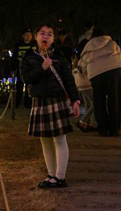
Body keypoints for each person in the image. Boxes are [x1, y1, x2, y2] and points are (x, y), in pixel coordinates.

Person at [21, 23, 80, 188]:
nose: (45, 36)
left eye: (49, 34)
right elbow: (27, 79)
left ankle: (60, 177)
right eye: (42, 33)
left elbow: (68, 79)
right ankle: (51, 174)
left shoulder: (59, 56)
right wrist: (42, 68)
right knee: (45, 140)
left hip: (57, 100)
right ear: (36, 36)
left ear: (53, 38)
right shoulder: (28, 57)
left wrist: (75, 100)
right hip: (39, 101)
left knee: (60, 139)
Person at [79, 29, 121, 137]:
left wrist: (88, 72)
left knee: (99, 102)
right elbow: (119, 57)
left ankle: (103, 130)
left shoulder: (88, 47)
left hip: (96, 74)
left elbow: (82, 64)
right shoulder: (112, 44)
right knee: (115, 100)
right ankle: (114, 129)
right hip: (113, 71)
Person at [72, 39, 96, 132]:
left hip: (80, 84)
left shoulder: (79, 57)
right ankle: (83, 121)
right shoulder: (87, 56)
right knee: (96, 102)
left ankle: (87, 124)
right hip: (86, 83)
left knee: (88, 104)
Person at [11, 28, 36, 108]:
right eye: (26, 35)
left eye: (29, 35)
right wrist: (12, 69)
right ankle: (16, 104)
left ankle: (28, 104)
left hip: (31, 69)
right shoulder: (18, 45)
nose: (28, 36)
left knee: (30, 86)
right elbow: (14, 57)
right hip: (20, 69)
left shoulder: (34, 45)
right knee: (19, 86)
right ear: (23, 36)